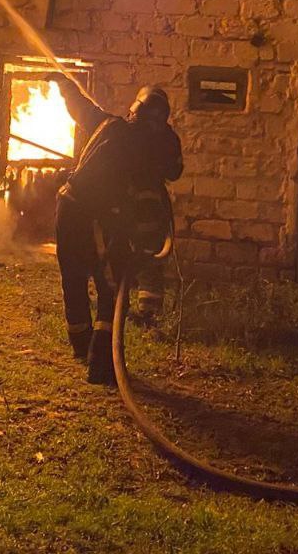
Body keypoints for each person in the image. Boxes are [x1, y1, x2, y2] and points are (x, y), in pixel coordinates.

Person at [52, 75, 183, 384]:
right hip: (98, 215)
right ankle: (99, 363)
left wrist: (64, 82)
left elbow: (80, 106)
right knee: (111, 286)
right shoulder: (154, 145)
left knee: (73, 276)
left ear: (132, 111)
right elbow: (172, 172)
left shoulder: (109, 124)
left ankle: (81, 345)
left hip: (69, 205)